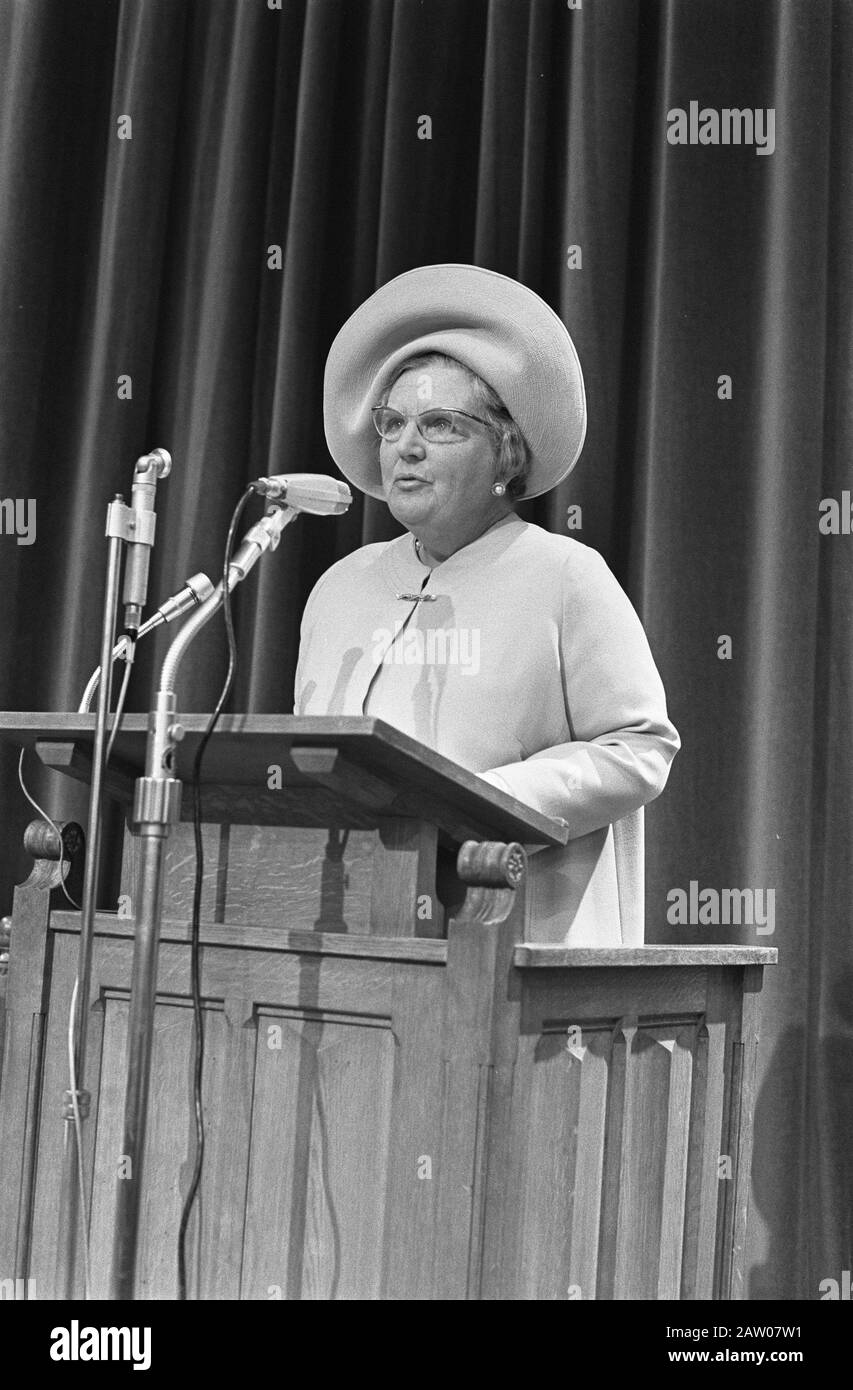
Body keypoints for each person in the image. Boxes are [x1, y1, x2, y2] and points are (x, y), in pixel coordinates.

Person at [294, 264, 679, 944]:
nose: (404, 446)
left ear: (506, 454)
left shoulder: (564, 575)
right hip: (348, 938)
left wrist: (477, 804)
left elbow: (638, 748)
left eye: (439, 424)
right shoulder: (340, 586)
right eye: (391, 424)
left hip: (514, 940)